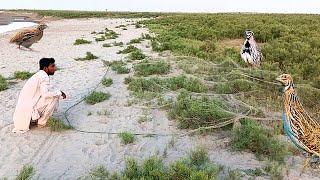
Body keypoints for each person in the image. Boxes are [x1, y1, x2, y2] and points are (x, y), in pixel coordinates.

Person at [12, 58, 66, 133]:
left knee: (55, 93)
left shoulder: (39, 75)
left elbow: (45, 91)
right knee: (54, 97)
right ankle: (42, 123)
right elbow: (45, 95)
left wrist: (58, 93)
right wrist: (59, 93)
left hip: (21, 114)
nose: (55, 68)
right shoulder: (44, 77)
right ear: (45, 68)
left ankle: (37, 119)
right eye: (52, 66)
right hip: (28, 112)